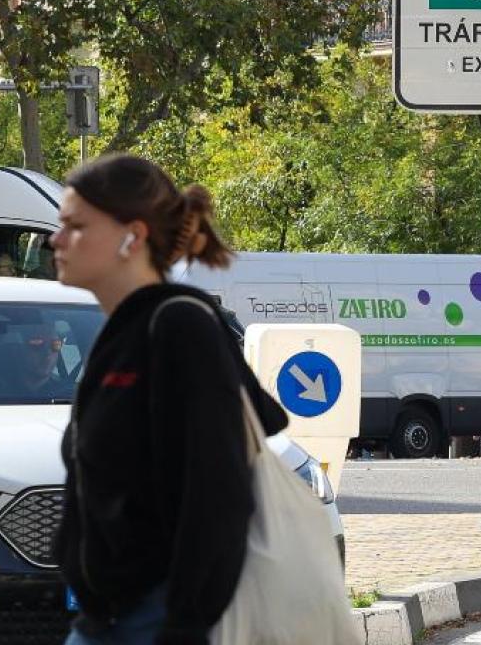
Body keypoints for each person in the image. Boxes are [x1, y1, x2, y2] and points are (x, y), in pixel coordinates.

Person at [51, 153, 289, 645]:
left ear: (131, 237)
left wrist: (183, 626)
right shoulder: (121, 330)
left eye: (75, 226)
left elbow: (217, 494)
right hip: (107, 621)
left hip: (157, 622)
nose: (56, 239)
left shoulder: (178, 327)